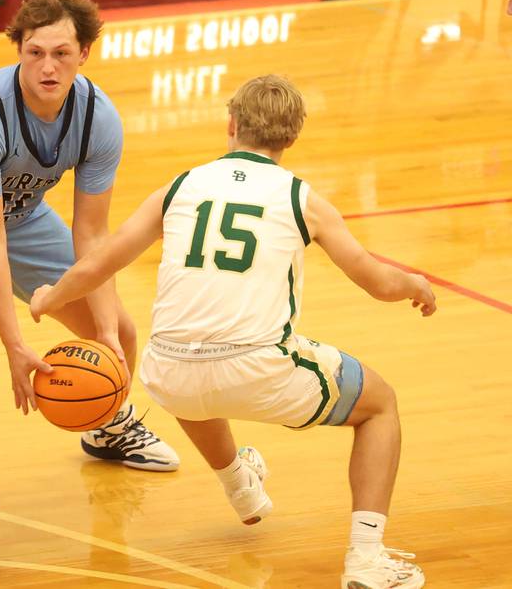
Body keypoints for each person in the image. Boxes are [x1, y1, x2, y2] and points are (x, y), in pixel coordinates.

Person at [30, 75, 436, 588]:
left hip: (166, 372)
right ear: (291, 138)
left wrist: (51, 296)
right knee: (380, 406)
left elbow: (99, 262)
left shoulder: (179, 187)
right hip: (259, 368)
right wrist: (413, 284)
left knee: (189, 368)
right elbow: (376, 281)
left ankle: (240, 487)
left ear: (231, 124)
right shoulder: (302, 199)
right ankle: (367, 559)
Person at [0, 0, 179, 545]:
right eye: (35, 52)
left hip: (21, 220)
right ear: (19, 51)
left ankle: (107, 424)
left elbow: (93, 235)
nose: (48, 67)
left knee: (116, 329)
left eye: (62, 54)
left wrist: (107, 344)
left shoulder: (98, 118)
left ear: (84, 54)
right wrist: (14, 344)